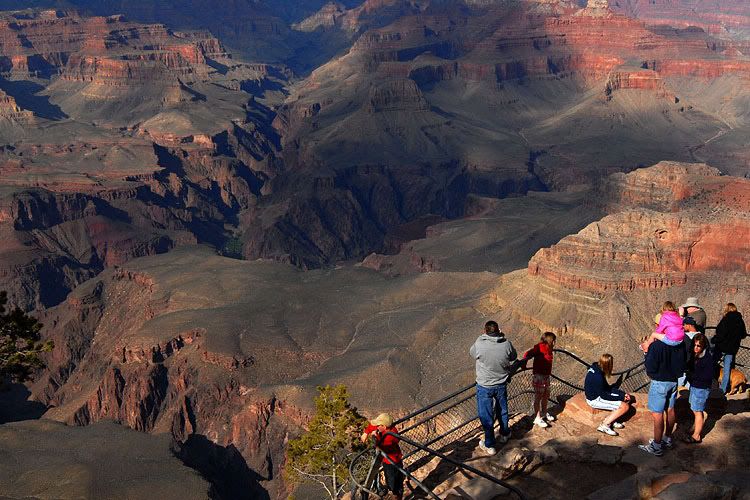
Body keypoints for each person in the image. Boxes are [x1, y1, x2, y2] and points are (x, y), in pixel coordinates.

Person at [470, 320, 517, 455]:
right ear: (498, 331)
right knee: (502, 410)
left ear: (485, 331)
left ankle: (490, 445)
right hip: (501, 384)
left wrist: (481, 337)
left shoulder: (480, 343)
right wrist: (502, 337)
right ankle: (504, 433)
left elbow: (472, 353)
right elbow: (513, 356)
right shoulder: (506, 344)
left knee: (486, 415)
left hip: (484, 386)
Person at [639, 332, 687, 456]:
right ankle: (667, 438)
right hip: (673, 381)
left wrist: (646, 352)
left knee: (657, 414)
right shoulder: (678, 343)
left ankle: (656, 445)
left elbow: (650, 368)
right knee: (670, 409)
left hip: (660, 382)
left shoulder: (657, 346)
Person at [584, 354, 634, 436]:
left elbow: (607, 388)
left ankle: (612, 420)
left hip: (598, 394)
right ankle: (604, 425)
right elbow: (604, 395)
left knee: (623, 400)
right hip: (595, 399)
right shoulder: (598, 377)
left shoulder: (597, 368)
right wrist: (621, 397)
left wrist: (622, 394)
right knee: (625, 407)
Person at [361, 413, 403, 500]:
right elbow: (372, 426)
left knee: (393, 481)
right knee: (394, 478)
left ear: (384, 426)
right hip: (391, 459)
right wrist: (366, 433)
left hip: (391, 461)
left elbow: (381, 447)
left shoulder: (391, 435)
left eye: (378, 425)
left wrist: (374, 437)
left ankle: (396, 493)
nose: (377, 426)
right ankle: (397, 492)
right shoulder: (384, 427)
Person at [684, 333, 714, 443]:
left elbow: (708, 376)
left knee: (698, 411)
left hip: (701, 388)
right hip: (695, 386)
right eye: (694, 345)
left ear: (703, 346)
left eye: (698, 346)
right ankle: (694, 427)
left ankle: (696, 436)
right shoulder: (695, 356)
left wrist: (693, 375)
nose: (695, 348)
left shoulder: (707, 359)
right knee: (694, 408)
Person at [522, 331, 556, 428]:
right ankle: (537, 418)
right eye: (554, 340)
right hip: (539, 377)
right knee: (538, 397)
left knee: (546, 395)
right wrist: (523, 365)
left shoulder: (549, 348)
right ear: (550, 340)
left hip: (546, 376)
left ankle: (544, 413)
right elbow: (527, 354)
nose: (554, 343)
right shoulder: (539, 347)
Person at [712, 303, 748, 394]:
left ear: (727, 309)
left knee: (711, 364)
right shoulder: (740, 321)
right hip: (732, 349)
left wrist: (714, 339)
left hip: (721, 347)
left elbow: (720, 334)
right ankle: (723, 389)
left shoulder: (725, 319)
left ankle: (710, 384)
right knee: (727, 369)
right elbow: (743, 334)